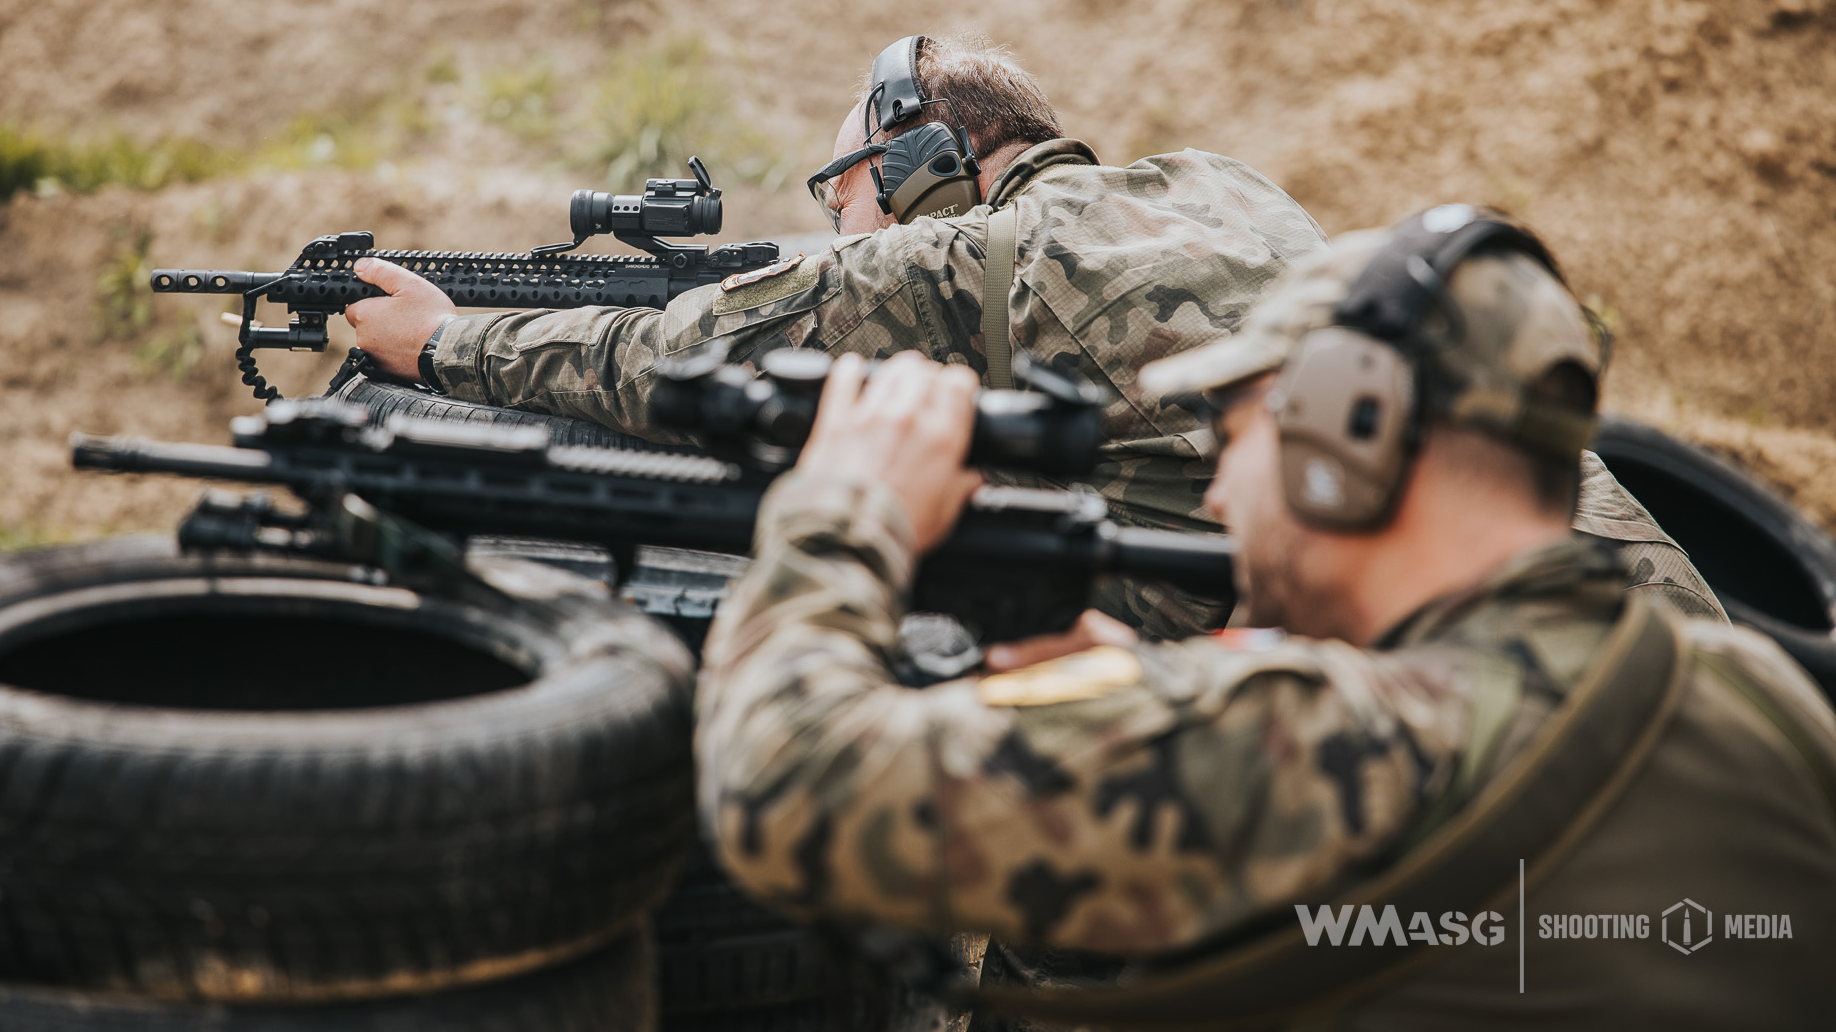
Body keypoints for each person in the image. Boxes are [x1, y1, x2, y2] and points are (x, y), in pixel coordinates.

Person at [693, 208, 1836, 1028]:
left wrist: (848, 505)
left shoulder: (1332, 743)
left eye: (1231, 440)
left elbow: (781, 777)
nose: (1222, 491)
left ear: (1353, 437)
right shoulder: (1761, 699)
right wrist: (1145, 691)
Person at [344, 34, 1721, 629]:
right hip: (1646, 616)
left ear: (930, 160)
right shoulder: (1224, 181)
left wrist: (448, 343)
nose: (839, 226)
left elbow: (683, 360)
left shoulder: (979, 254)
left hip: (1461, 703)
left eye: (845, 192)